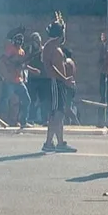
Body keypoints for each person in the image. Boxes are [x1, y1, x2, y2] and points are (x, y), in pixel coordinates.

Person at [42, 16, 75, 152]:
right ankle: (49, 143)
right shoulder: (51, 47)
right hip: (56, 83)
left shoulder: (53, 46)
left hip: (59, 83)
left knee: (58, 114)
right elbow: (51, 67)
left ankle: (60, 143)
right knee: (57, 114)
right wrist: (64, 79)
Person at [0, 32, 32, 130]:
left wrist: (31, 69)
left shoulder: (22, 52)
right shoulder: (10, 49)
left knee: (26, 100)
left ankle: (23, 121)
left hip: (18, 80)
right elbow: (2, 61)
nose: (18, 43)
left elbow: (22, 65)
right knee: (4, 102)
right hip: (9, 80)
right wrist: (6, 72)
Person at [26, 32, 51, 125]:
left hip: (43, 78)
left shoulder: (44, 50)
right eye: (34, 40)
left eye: (37, 40)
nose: (36, 42)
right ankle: (31, 119)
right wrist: (33, 70)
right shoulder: (29, 51)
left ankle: (45, 120)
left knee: (44, 100)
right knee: (32, 99)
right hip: (33, 79)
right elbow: (24, 63)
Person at [62, 47, 80, 125]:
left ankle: (76, 122)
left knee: (67, 108)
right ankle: (67, 122)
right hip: (71, 85)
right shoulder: (72, 62)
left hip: (69, 86)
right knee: (66, 106)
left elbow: (65, 73)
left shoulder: (67, 62)